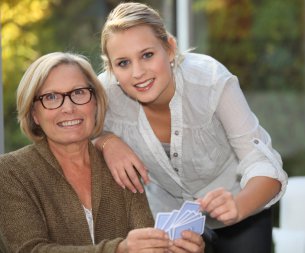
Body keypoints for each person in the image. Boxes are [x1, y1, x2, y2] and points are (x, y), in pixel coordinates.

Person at [96, 2, 288, 252]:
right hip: (170, 221)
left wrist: (238, 206)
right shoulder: (106, 93)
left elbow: (263, 164)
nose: (138, 73)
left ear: (170, 49)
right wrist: (106, 141)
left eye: (147, 55)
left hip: (240, 210)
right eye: (123, 63)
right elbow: (74, 130)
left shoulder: (210, 81)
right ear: (111, 69)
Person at [0, 52, 205, 253]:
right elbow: (28, 249)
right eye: (51, 97)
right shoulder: (10, 172)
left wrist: (173, 248)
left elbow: (145, 242)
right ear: (34, 113)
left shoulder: (120, 166)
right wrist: (119, 250)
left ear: (95, 101)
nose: (69, 108)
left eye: (79, 92)